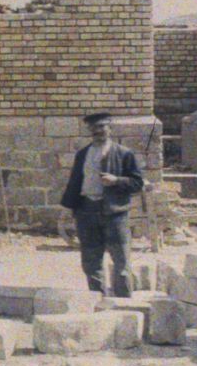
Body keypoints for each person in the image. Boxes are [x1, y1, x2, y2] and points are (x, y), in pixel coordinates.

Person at [58, 111, 144, 297]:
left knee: (121, 260)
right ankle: (98, 300)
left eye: (101, 126)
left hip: (115, 213)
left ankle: (124, 302)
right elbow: (74, 183)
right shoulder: (83, 154)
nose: (97, 131)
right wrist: (67, 208)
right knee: (91, 262)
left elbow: (138, 183)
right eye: (93, 128)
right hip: (86, 211)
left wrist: (117, 180)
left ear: (110, 128)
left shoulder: (124, 153)